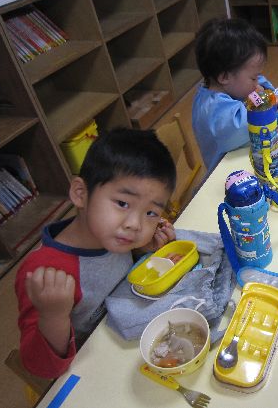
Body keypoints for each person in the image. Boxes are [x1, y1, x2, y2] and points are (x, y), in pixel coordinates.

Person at [15, 128, 177, 378]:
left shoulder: (113, 236)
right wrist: (53, 316)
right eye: (122, 203)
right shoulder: (44, 272)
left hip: (125, 341)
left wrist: (144, 251)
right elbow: (41, 369)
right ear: (81, 194)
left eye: (150, 213)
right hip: (91, 369)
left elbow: (115, 271)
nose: (135, 224)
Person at [192, 17, 278, 172]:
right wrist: (269, 103)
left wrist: (264, 91)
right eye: (253, 78)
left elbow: (256, 90)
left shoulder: (229, 86)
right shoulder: (212, 108)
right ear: (224, 77)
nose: (257, 83)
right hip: (225, 173)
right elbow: (243, 124)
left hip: (243, 158)